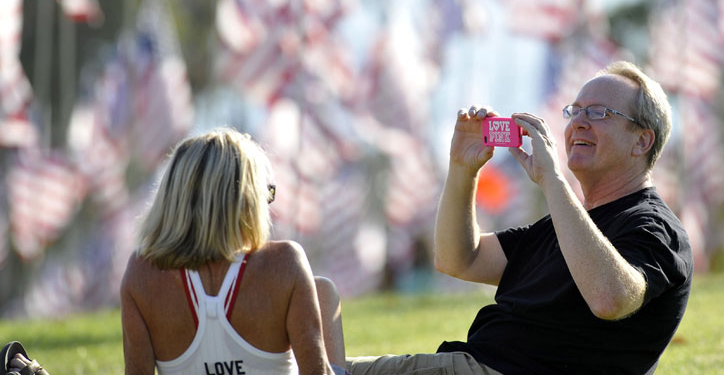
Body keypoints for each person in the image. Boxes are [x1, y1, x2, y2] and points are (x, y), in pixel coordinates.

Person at [344, 60, 693, 375]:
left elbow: (610, 299)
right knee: (315, 342)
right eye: (575, 112)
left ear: (642, 141)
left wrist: (552, 180)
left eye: (599, 113)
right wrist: (462, 169)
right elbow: (458, 259)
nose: (579, 124)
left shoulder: (653, 226)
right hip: (472, 364)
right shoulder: (564, 224)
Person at [120, 128, 348, 375]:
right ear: (245, 200)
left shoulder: (141, 272)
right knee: (325, 293)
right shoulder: (285, 262)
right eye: (264, 194)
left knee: (322, 290)